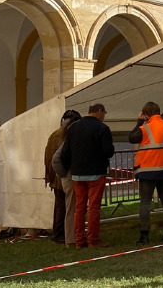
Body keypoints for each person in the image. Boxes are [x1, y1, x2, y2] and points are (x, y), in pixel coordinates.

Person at [60, 103, 115, 249]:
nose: (104, 116)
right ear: (99, 111)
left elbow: (65, 151)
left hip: (77, 174)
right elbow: (108, 151)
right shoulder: (102, 128)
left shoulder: (72, 128)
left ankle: (79, 240)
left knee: (79, 208)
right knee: (94, 207)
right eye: (104, 113)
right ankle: (93, 240)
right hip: (96, 173)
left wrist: (69, 168)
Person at [130, 102, 163, 245]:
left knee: (145, 203)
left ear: (145, 114)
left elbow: (132, 138)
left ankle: (144, 235)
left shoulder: (144, 128)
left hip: (147, 171)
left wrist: (139, 121)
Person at [44, 109, 81, 247]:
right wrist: (55, 175)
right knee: (63, 208)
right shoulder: (63, 135)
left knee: (61, 207)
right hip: (63, 175)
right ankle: (60, 234)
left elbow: (48, 158)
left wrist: (50, 175)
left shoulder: (55, 134)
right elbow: (53, 158)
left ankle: (61, 233)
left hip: (58, 175)